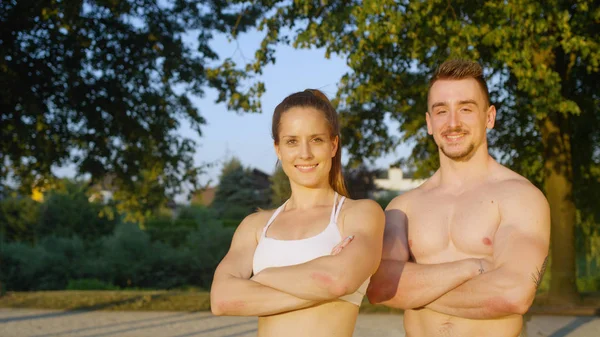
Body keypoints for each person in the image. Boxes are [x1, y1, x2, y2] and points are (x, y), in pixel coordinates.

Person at [366, 59, 550, 337]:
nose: (452, 123)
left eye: (465, 109)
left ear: (489, 117)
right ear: (429, 122)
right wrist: (473, 268)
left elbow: (513, 294)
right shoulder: (403, 207)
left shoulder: (521, 197)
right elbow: (379, 287)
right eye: (441, 111)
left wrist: (410, 291)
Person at [210, 89, 385, 337]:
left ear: (333, 145)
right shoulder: (256, 225)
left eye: (316, 140)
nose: (305, 153)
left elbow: (338, 281)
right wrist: (321, 286)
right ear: (278, 149)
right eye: (292, 141)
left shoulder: (359, 214)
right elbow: (221, 300)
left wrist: (261, 278)